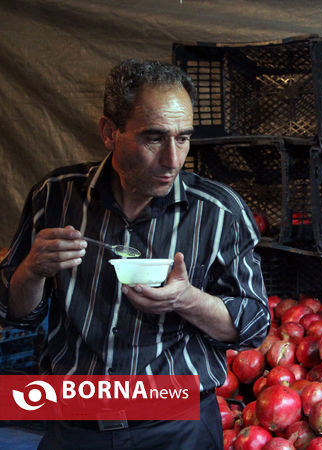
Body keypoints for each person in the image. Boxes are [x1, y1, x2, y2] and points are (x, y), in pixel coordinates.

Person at [0, 59, 271, 449]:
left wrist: (186, 299)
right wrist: (31, 270)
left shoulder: (218, 212)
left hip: (177, 424)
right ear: (110, 133)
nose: (173, 159)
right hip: (76, 422)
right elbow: (17, 313)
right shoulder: (56, 196)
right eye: (154, 138)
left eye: (183, 138)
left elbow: (253, 326)